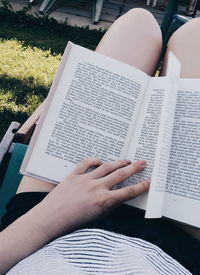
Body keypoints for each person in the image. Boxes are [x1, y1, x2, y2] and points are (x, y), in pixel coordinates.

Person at [0, 8, 200, 275]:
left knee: (137, 23)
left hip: (43, 226)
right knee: (194, 34)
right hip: (179, 249)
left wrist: (57, 211)